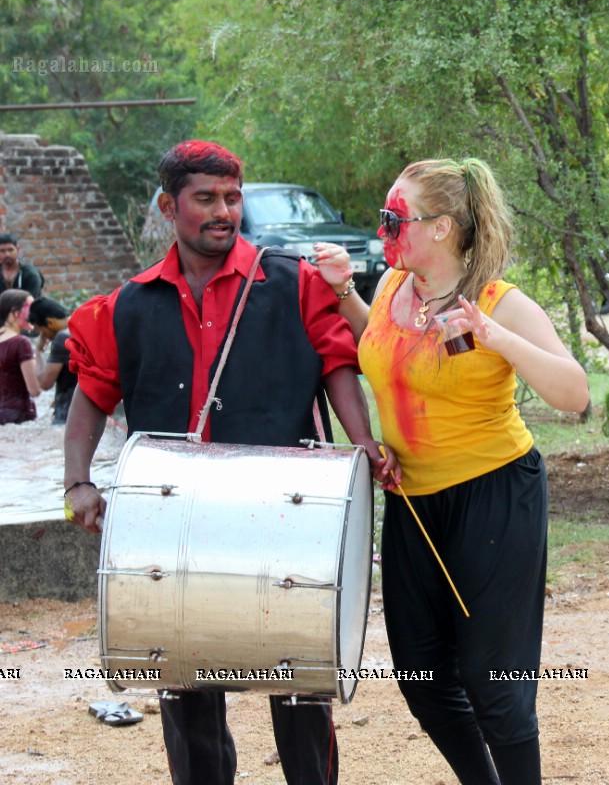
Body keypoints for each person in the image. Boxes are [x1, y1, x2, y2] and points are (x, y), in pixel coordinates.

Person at [63, 140, 393, 785]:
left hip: (282, 511)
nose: (223, 211)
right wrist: (78, 483)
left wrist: (364, 446)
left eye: (232, 197)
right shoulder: (126, 306)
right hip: (171, 518)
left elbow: (338, 366)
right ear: (168, 206)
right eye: (205, 199)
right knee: (185, 688)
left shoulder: (294, 282)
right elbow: (89, 400)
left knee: (299, 681)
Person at [312, 158, 589, 785]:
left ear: (441, 227)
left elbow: (574, 393)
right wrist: (343, 293)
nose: (384, 229)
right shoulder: (391, 288)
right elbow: (384, 348)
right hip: (414, 502)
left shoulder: (498, 302)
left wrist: (494, 337)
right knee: (421, 675)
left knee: (495, 685)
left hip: (495, 496)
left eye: (394, 218)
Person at [27, 297, 76, 424]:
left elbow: (44, 383)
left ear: (49, 322)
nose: (43, 336)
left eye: (40, 330)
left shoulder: (62, 337)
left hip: (68, 414)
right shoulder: (80, 326)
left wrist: (37, 351)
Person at [0, 289, 40, 424]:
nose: (35, 313)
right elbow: (34, 390)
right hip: (19, 416)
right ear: (14, 313)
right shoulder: (21, 343)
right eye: (31, 308)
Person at [0, 233, 44, 299]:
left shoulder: (30, 274)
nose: (7, 254)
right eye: (2, 251)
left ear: (17, 250)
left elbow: (32, 302)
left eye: (10, 250)